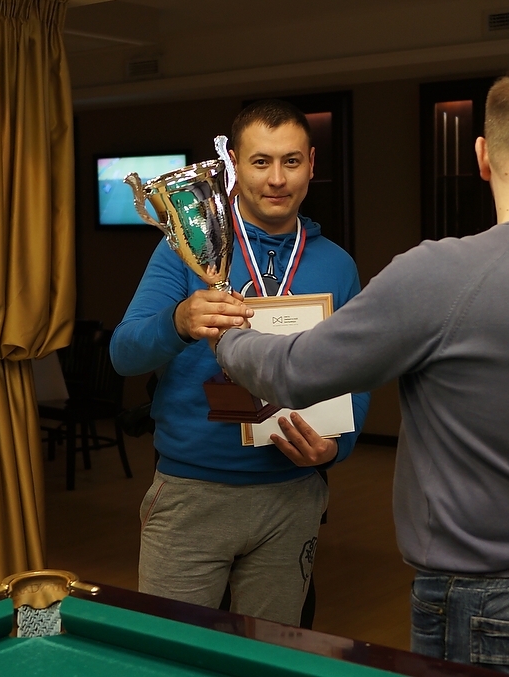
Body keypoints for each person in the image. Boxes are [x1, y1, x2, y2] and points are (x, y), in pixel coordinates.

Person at [212, 69, 509, 676]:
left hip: (489, 598)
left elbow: (294, 373)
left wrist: (228, 336)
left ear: (482, 156)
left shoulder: (440, 273)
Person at [110, 99, 370, 627]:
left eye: (291, 161)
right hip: (192, 494)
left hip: (292, 494)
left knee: (267, 653)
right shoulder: (186, 249)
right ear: (233, 164)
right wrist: (179, 320)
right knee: (174, 653)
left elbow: (357, 373)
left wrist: (336, 447)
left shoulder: (337, 265)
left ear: (311, 164)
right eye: (260, 161)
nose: (277, 179)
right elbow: (123, 353)